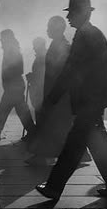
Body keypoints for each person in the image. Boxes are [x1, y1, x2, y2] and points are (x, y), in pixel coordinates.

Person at [35, 0, 107, 199]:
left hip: (90, 99)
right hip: (93, 98)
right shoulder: (90, 33)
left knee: (74, 145)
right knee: (97, 142)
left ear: (82, 13)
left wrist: (52, 98)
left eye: (71, 13)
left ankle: (54, 187)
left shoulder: (86, 35)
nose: (68, 18)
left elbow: (72, 70)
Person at [26, 16, 73, 166]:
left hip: (57, 96)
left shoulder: (62, 46)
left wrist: (53, 96)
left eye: (49, 27)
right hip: (54, 94)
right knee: (53, 127)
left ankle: (44, 156)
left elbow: (61, 74)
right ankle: (44, 155)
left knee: (53, 127)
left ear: (57, 29)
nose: (47, 30)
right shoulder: (56, 44)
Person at [0, 29, 36, 142]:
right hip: (13, 86)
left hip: (14, 86)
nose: (0, 41)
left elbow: (17, 70)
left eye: (2, 38)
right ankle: (32, 132)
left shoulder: (13, 52)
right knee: (21, 111)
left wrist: (9, 81)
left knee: (3, 110)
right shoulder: (11, 50)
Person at [26, 37, 47, 120]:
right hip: (38, 90)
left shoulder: (43, 57)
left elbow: (41, 74)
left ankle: (39, 131)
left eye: (35, 46)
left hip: (40, 90)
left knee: (40, 112)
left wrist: (32, 77)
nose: (34, 48)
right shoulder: (40, 57)